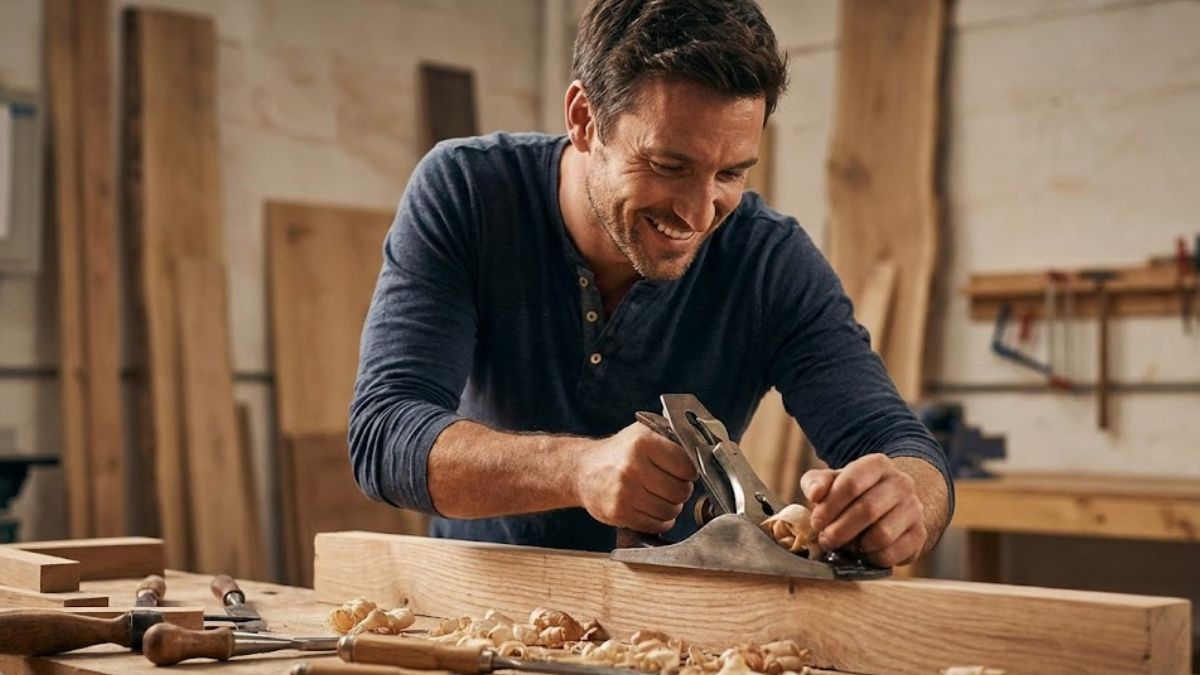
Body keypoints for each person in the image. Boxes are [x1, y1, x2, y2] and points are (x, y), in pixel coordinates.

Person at [349, 0, 953, 568]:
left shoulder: (770, 262)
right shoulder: (468, 194)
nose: (697, 213)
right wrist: (581, 469)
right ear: (585, 119)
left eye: (730, 173)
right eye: (669, 166)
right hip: (482, 608)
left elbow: (901, 444)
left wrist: (904, 504)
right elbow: (383, 434)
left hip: (675, 625)